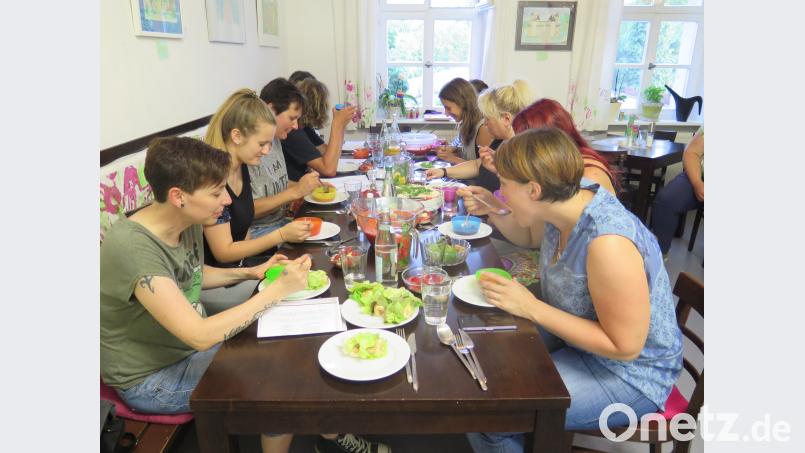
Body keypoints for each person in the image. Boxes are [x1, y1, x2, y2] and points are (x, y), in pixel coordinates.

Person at [465, 128, 682, 453]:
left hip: (630, 373)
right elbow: (528, 238)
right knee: (486, 345)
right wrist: (492, 209)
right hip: (578, 337)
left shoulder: (608, 244)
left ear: (534, 190)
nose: (503, 194)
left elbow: (625, 347)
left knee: (492, 415)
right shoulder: (564, 199)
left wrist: (531, 307)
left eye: (506, 187)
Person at [100, 136, 312, 453]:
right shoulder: (134, 248)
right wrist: (277, 290)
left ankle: (328, 435)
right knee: (276, 388)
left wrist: (250, 272)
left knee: (282, 350)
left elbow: (192, 273)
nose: (225, 200)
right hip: (149, 377)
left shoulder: (183, 220)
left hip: (184, 350)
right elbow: (199, 335)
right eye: (215, 193)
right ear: (178, 196)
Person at [200, 89, 314, 314]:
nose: (266, 151)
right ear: (236, 136)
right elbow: (224, 252)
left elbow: (245, 231)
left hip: (240, 269)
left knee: (303, 275)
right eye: (262, 143)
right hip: (218, 283)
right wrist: (281, 236)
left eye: (269, 144)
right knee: (295, 296)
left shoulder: (241, 167)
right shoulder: (215, 180)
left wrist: (265, 262)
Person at [458, 98, 618, 250]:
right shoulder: (548, 182)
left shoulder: (588, 178)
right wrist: (492, 205)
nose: (501, 192)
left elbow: (535, 240)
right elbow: (531, 237)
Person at [247, 78, 327, 240]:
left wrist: (306, 186)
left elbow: (276, 182)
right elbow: (247, 210)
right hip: (260, 234)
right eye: (292, 118)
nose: (296, 126)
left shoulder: (276, 137)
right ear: (270, 111)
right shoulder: (249, 149)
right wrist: (295, 191)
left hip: (281, 223)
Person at [426, 80, 534, 194]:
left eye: (488, 118)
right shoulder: (500, 142)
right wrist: (443, 171)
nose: (485, 123)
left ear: (506, 119)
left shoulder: (522, 152)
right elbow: (478, 164)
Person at [280, 77, 358, 180]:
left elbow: (326, 151)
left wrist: (342, 124)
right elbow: (329, 170)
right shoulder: (293, 131)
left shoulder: (304, 126)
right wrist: (337, 124)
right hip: (299, 189)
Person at [650, 126, 704, 256]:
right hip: (699, 175)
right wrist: (697, 183)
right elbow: (691, 153)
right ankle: (659, 255)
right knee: (667, 200)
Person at [436, 77, 494, 164]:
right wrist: (455, 150)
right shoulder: (466, 124)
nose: (446, 114)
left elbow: (484, 169)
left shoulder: (483, 129)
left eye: (448, 108)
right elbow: (471, 154)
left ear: (462, 103)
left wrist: (453, 159)